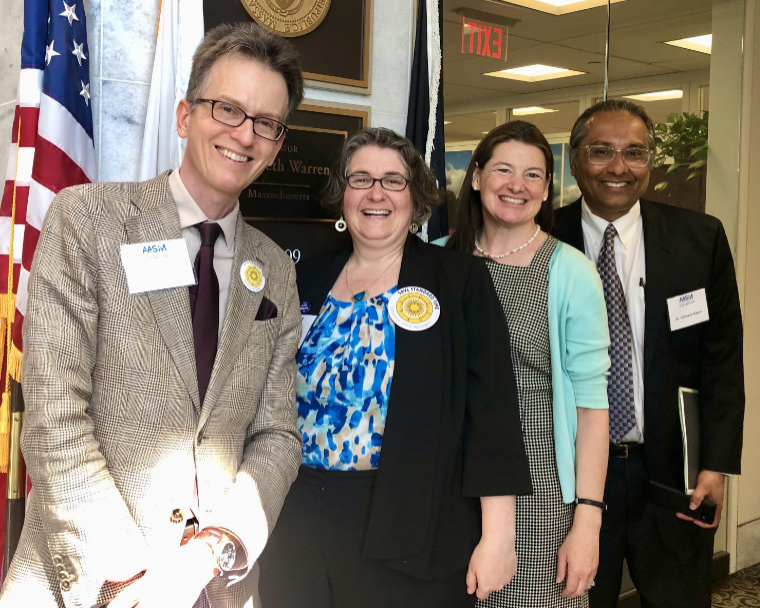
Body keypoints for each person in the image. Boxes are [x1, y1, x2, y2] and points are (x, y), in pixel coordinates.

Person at [0, 22, 305, 608]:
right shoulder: (87, 220)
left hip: (214, 588)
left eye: (266, 123)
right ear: (185, 115)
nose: (245, 133)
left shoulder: (275, 270)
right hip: (89, 580)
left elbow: (276, 436)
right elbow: (54, 413)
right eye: (227, 109)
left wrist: (211, 551)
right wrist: (132, 572)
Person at [257, 127, 532, 608]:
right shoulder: (305, 279)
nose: (376, 193)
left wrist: (499, 536)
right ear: (342, 194)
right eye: (360, 179)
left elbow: (491, 413)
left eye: (393, 180)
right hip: (296, 516)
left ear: (417, 196)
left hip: (409, 519)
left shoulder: (459, 280)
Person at [554, 99, 745, 608]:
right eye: (601, 151)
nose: (619, 167)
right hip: (568, 477)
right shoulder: (542, 239)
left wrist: (715, 465)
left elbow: (722, 360)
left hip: (672, 475)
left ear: (651, 161)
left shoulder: (699, 239)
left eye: (634, 152)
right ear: (574, 160)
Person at [446, 121, 611, 607]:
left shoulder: (571, 272)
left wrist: (588, 521)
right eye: (503, 169)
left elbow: (591, 410)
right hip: (447, 489)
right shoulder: (437, 263)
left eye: (533, 175)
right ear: (475, 177)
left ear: (545, 191)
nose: (517, 185)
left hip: (539, 496)